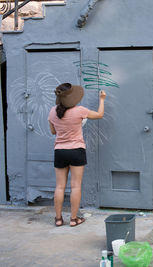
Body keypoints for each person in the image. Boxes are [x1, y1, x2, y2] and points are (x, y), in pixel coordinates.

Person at [48, 83, 106, 226]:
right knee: (75, 186)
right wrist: (102, 99)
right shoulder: (80, 110)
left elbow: (53, 132)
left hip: (60, 151)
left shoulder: (52, 111)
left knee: (60, 186)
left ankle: (58, 219)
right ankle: (74, 219)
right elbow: (99, 115)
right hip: (76, 151)